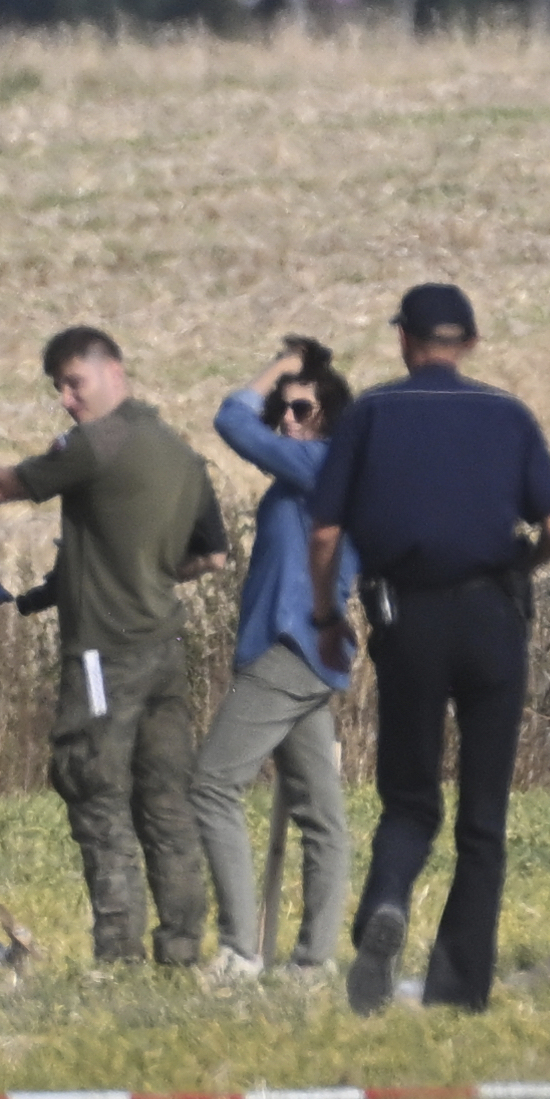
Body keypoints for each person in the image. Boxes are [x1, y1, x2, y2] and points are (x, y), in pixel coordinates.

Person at [0, 325, 229, 966]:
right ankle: (183, 948)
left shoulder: (98, 443)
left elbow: (3, 486)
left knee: (96, 791)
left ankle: (118, 952)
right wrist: (128, 575)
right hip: (166, 647)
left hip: (104, 655)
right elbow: (211, 556)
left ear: (114, 369)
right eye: (58, 387)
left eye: (73, 382)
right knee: (166, 802)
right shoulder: (181, 452)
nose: (66, 399)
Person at [306, 284, 550, 1016]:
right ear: (470, 343)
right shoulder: (506, 415)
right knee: (483, 817)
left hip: (407, 618)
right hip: (491, 618)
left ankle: (386, 904)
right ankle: (458, 991)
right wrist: (518, 570)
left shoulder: (370, 415)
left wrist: (327, 612)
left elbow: (325, 533)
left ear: (403, 338)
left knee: (410, 797)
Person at [190, 337, 360, 980]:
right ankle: (312, 962)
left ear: (328, 418)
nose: (289, 419)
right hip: (306, 655)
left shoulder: (320, 463)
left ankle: (239, 952)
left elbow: (231, 420)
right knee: (321, 815)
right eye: (284, 410)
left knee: (212, 784)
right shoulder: (315, 471)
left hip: (288, 649)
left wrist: (277, 370)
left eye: (304, 408)